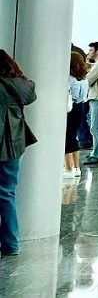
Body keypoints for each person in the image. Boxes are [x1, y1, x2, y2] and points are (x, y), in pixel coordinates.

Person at [0, 50, 37, 257]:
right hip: (15, 143)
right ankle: (11, 243)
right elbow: (31, 91)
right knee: (6, 193)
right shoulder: (22, 85)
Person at [65, 52, 89, 180]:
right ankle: (76, 167)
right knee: (73, 136)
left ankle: (68, 168)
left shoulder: (69, 78)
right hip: (80, 107)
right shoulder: (84, 78)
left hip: (70, 108)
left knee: (66, 138)